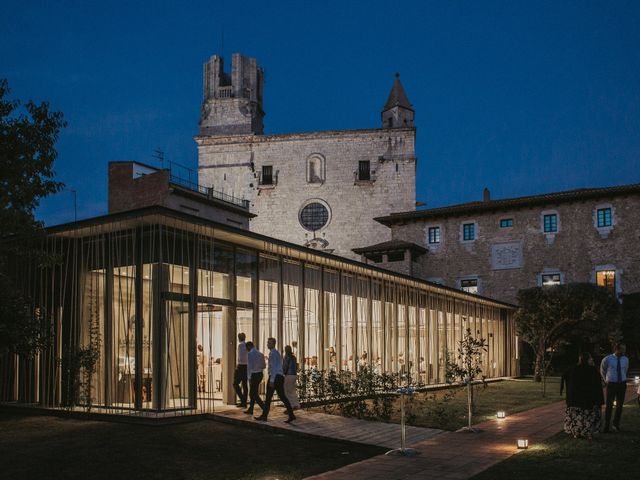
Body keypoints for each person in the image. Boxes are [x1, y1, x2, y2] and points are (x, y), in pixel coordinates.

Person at [562, 352, 604, 439]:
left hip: (575, 400)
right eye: (591, 358)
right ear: (587, 360)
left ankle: (576, 432)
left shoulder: (572, 369)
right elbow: (597, 386)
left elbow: (567, 382)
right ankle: (587, 433)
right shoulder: (592, 370)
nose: (592, 360)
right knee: (588, 417)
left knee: (577, 417)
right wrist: (599, 400)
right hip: (588, 400)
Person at [255, 338, 296, 423]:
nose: (267, 344)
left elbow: (273, 368)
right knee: (281, 396)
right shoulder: (276, 353)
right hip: (279, 377)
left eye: (269, 343)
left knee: (269, 397)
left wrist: (272, 380)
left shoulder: (273, 354)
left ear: (273, 344)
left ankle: (264, 416)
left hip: (275, 377)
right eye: (267, 343)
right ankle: (291, 415)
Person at [600, 343, 629, 432]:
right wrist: (606, 380)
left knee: (620, 405)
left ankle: (616, 424)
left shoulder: (626, 359)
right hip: (611, 384)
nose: (625, 351)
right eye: (623, 349)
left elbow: (625, 370)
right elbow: (602, 370)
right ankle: (606, 426)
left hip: (622, 384)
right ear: (617, 349)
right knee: (609, 405)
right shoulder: (607, 359)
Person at [243, 341, 266, 415]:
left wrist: (249, 378)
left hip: (254, 375)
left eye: (246, 348)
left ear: (249, 347)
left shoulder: (250, 354)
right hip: (260, 374)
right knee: (254, 392)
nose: (246, 350)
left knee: (253, 393)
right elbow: (264, 366)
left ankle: (264, 408)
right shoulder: (261, 354)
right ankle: (251, 409)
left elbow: (249, 367)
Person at [233, 333, 248, 407]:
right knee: (245, 385)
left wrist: (237, 366)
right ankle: (244, 402)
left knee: (235, 383)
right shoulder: (247, 345)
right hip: (246, 367)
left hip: (241, 366)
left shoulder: (240, 345)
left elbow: (240, 358)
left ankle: (243, 400)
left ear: (239, 338)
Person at [283, 345, 300, 409]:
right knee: (292, 390)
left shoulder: (287, 357)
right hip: (294, 375)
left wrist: (283, 373)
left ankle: (291, 405)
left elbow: (285, 366)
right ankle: (296, 404)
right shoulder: (293, 357)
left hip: (289, 375)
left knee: (287, 391)